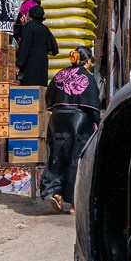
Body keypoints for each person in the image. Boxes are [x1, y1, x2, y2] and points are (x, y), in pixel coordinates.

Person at [43, 49, 104, 212]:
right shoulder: (88, 78)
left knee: (57, 156)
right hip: (78, 121)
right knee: (76, 160)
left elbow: (49, 98)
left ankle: (57, 193)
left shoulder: (60, 75)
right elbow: (93, 106)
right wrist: (97, 123)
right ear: (88, 61)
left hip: (57, 120)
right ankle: (74, 205)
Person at [13, 2, 58, 87]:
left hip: (30, 68)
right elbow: (54, 48)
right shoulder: (44, 29)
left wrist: (19, 65)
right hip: (42, 69)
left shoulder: (28, 27)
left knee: (29, 94)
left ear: (29, 15)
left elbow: (24, 47)